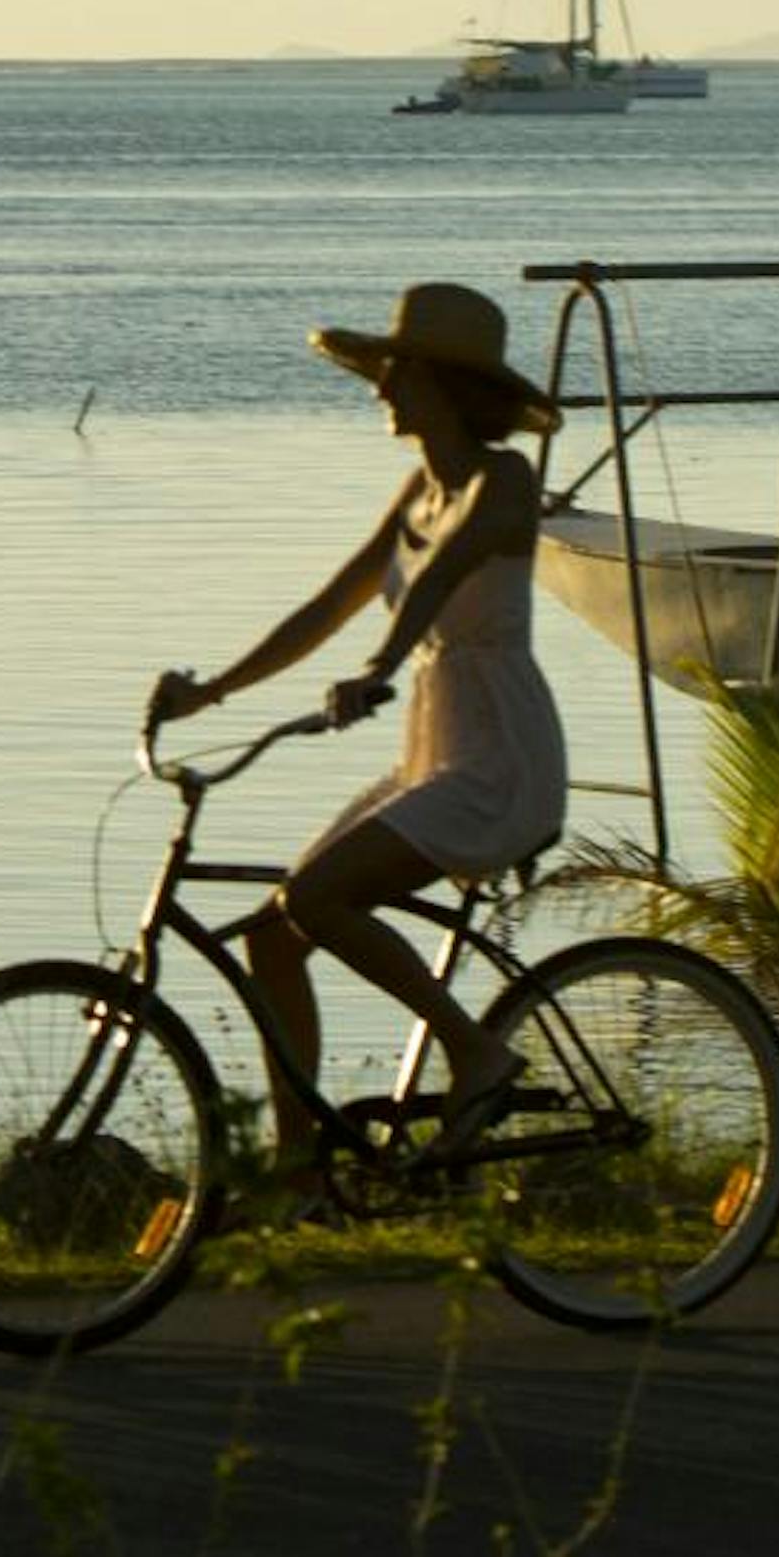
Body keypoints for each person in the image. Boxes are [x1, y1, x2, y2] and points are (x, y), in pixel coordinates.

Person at [151, 278, 566, 1168]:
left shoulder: (504, 480)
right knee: (274, 932)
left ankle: (476, 1051)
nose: (380, 388)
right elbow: (327, 607)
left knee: (316, 897)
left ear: (443, 384)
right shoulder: (421, 488)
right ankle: (299, 1171)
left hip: (500, 756)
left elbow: (441, 580)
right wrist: (208, 693)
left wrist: (378, 668)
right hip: (436, 750)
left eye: (396, 372)